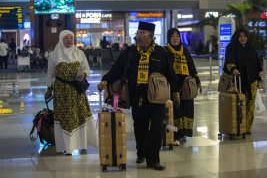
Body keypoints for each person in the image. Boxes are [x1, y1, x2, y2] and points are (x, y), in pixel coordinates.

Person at [97, 22, 180, 171]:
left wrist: (176, 92)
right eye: (138, 33)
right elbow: (116, 69)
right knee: (140, 127)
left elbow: (170, 74)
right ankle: (141, 152)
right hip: (138, 95)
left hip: (157, 96)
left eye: (143, 34)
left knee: (156, 127)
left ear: (151, 36)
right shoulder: (130, 52)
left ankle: (153, 160)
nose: (139, 36)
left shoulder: (161, 52)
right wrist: (105, 81)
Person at [44, 30, 97, 155]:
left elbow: (86, 68)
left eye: (71, 38)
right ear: (61, 39)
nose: (69, 41)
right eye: (66, 38)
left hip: (77, 91)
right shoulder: (54, 55)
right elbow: (51, 74)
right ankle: (66, 146)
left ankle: (81, 143)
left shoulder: (79, 53)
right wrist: (49, 89)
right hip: (61, 93)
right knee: (64, 118)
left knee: (79, 116)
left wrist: (84, 74)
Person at [165, 28, 202, 146]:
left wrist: (197, 80)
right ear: (169, 38)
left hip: (185, 86)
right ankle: (174, 134)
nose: (175, 39)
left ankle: (183, 133)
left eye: (177, 36)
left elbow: (191, 66)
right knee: (175, 110)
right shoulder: (165, 51)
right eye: (172, 37)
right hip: (172, 86)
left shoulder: (184, 50)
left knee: (186, 109)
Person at [223, 28, 262, 134]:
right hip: (238, 81)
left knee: (251, 104)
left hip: (252, 80)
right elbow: (229, 61)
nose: (243, 38)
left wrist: (258, 78)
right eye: (240, 36)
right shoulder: (231, 47)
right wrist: (233, 69)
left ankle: (247, 127)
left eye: (244, 36)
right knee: (239, 103)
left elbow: (257, 64)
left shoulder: (251, 48)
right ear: (237, 37)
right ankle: (237, 125)